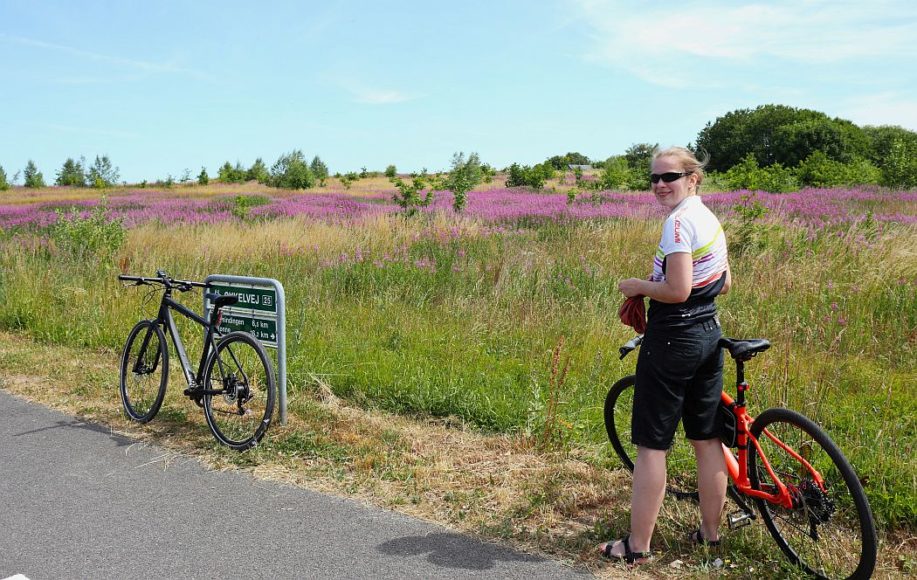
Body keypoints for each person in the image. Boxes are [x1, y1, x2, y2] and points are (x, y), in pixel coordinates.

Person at [599, 146, 732, 564]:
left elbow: (677, 291)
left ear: (692, 178)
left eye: (669, 177)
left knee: (652, 446)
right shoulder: (709, 218)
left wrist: (638, 285)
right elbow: (724, 284)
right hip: (709, 335)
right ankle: (710, 536)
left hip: (673, 339)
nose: (659, 185)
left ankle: (637, 547)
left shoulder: (677, 224)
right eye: (653, 178)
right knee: (706, 438)